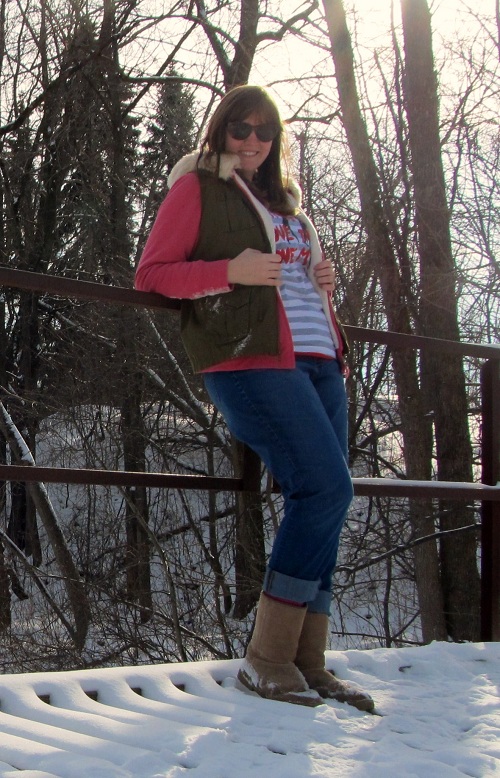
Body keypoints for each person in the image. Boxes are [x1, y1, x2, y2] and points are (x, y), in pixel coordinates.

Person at [135, 84, 374, 712]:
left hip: (319, 359)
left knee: (325, 500)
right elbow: (153, 274)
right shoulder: (197, 188)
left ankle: (307, 662)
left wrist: (319, 277)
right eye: (240, 128)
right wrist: (230, 271)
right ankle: (266, 660)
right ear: (220, 130)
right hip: (251, 358)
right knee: (326, 489)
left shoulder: (285, 199)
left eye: (265, 131)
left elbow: (290, 281)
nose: (252, 141)